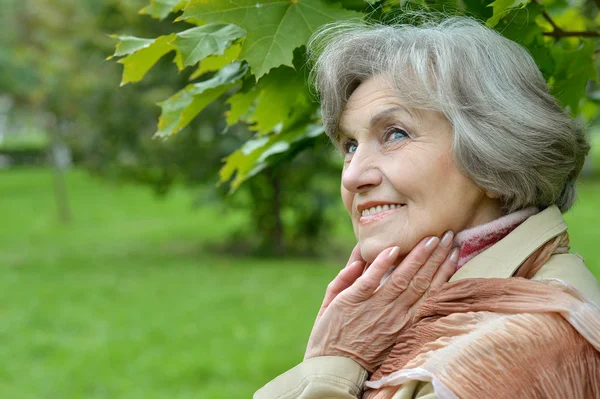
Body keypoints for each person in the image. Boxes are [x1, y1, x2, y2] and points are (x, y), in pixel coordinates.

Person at [254, 16, 600, 399]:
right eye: (350, 145)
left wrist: (331, 366)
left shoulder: (519, 348)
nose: (352, 177)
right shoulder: (402, 313)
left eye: (395, 134)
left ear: (492, 155)